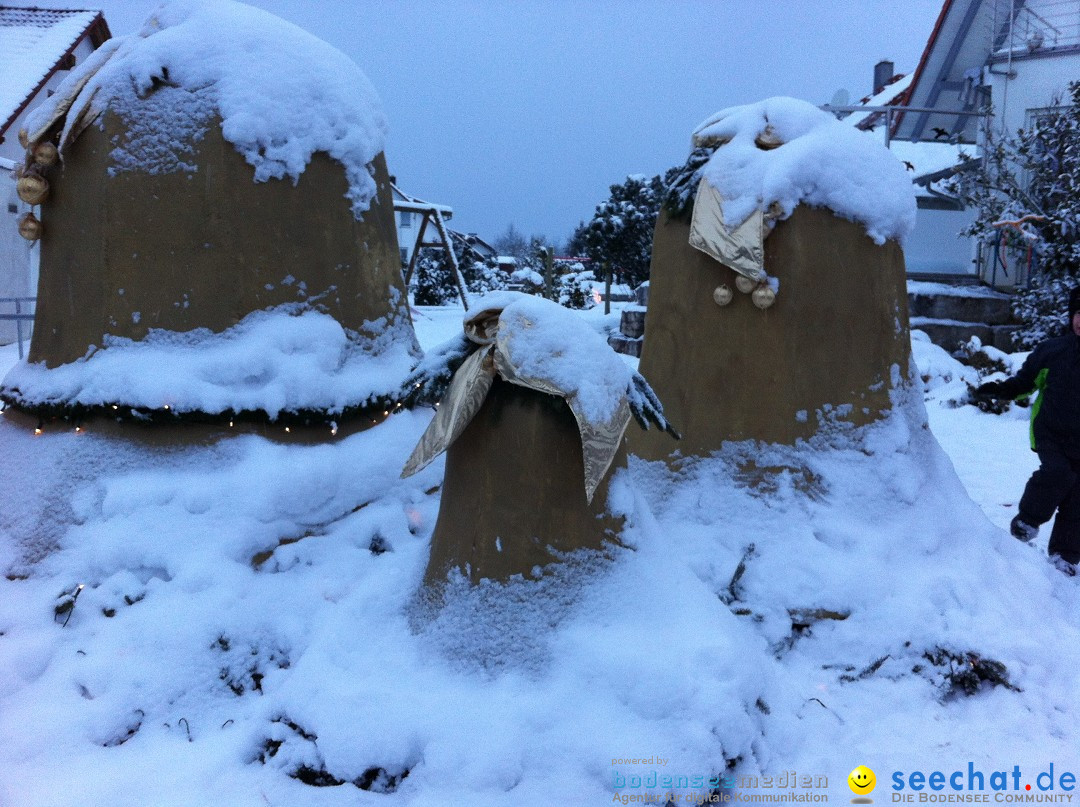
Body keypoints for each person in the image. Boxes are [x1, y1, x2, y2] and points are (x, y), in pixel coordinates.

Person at [975, 287, 1080, 575]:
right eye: (1079, 314)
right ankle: (1027, 522)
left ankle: (1064, 556)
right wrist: (999, 390)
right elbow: (1024, 382)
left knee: (1077, 500)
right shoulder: (1053, 351)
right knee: (1058, 473)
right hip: (1052, 434)